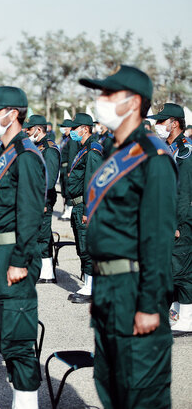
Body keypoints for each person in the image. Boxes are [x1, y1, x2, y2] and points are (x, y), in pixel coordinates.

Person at [82, 64, 177, 409]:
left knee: (140, 392)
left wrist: (150, 305)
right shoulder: (116, 153)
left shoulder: (152, 157)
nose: (101, 101)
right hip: (109, 288)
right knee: (111, 386)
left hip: (135, 288)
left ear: (134, 102)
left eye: (109, 94)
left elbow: (158, 237)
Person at [0, 86, 46, 409]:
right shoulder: (4, 153)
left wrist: (20, 259)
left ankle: (28, 402)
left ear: (12, 114)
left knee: (18, 336)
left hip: (13, 254)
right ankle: (20, 399)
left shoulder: (26, 155)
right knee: (4, 334)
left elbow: (30, 214)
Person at [150, 103, 192, 336]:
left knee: (181, 270)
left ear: (174, 123)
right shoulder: (168, 148)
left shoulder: (184, 151)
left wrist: (176, 224)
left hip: (180, 220)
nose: (157, 126)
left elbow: (184, 193)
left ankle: (186, 319)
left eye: (161, 121)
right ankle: (175, 312)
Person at [66, 113, 103, 303]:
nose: (71, 131)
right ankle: (89, 284)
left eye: (74, 128)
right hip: (78, 205)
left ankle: (92, 287)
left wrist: (89, 211)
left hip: (85, 206)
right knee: (82, 246)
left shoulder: (93, 150)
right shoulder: (84, 148)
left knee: (88, 247)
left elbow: (93, 182)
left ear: (85, 129)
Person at [24, 115, 61, 284]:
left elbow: (50, 180)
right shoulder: (36, 146)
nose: (26, 131)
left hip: (42, 199)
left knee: (43, 235)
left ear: (38, 129)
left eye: (29, 129)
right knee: (37, 234)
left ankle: (47, 273)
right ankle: (40, 269)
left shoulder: (49, 149)